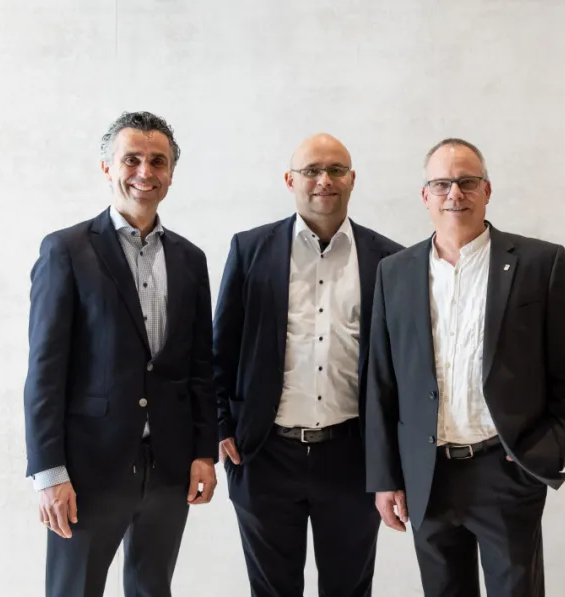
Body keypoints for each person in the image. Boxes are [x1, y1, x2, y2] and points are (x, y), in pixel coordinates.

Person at [364, 138, 565, 596]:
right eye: (442, 184)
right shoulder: (395, 272)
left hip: (504, 471)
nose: (455, 193)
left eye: (467, 182)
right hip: (427, 475)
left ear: (487, 190)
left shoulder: (540, 264)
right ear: (425, 195)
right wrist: (385, 478)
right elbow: (381, 382)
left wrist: (540, 456)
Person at [22, 111, 218, 597]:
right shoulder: (66, 251)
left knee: (153, 589)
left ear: (171, 173)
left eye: (158, 161)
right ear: (107, 167)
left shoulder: (190, 259)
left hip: (168, 468)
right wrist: (48, 473)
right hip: (87, 470)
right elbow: (45, 373)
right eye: (132, 159)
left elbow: (199, 366)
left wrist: (203, 451)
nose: (145, 172)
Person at [211, 133, 404, 597]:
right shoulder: (250, 250)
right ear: (290, 180)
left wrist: (393, 462)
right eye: (312, 171)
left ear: (352, 179)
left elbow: (401, 369)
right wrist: (219, 426)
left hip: (353, 457)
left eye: (336, 170)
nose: (324, 180)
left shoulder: (389, 259)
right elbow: (221, 349)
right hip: (264, 455)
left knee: (349, 589)